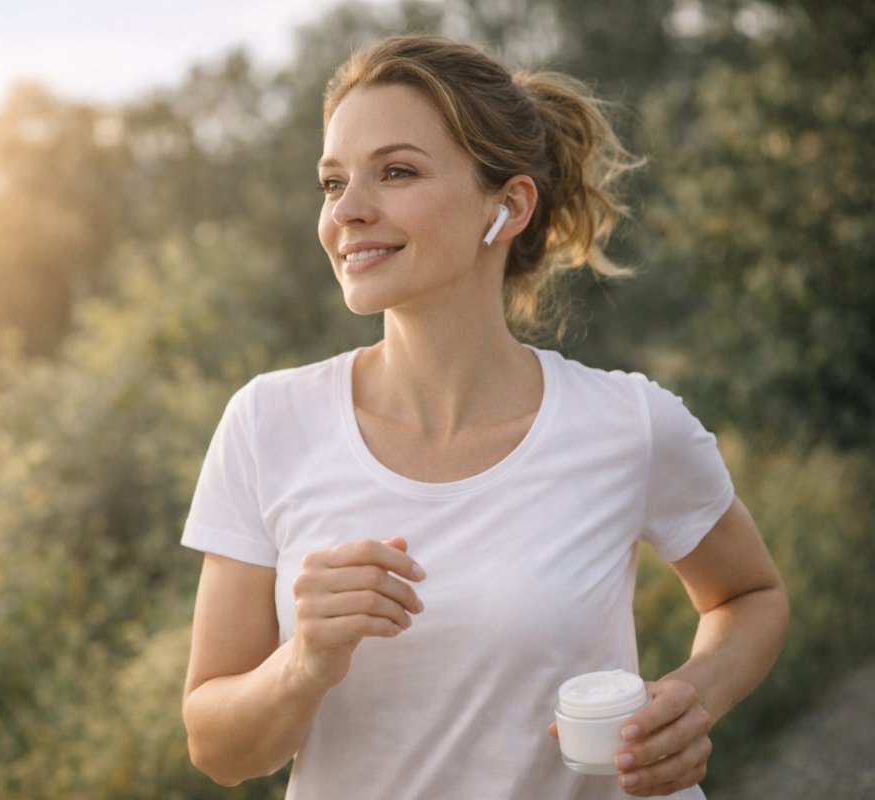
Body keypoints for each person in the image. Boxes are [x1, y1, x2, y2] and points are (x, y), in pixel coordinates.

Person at [179, 34, 789, 799]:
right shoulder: (267, 423)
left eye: (396, 172)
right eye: (333, 183)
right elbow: (218, 748)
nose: (349, 212)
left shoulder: (629, 424)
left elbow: (749, 597)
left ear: (507, 206)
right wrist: (303, 661)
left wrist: (692, 700)